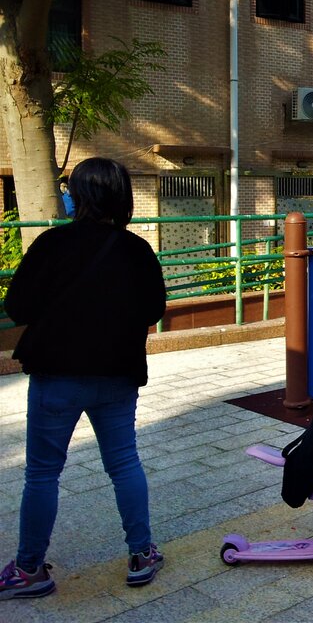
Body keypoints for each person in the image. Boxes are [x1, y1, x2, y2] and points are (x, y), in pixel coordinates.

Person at [0, 158, 167, 600]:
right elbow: (153, 311)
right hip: (117, 375)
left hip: (56, 375)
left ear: (77, 194)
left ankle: (29, 569)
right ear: (122, 196)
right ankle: (141, 554)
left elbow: (17, 307)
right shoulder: (137, 250)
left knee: (41, 474)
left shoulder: (51, 244)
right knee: (124, 464)